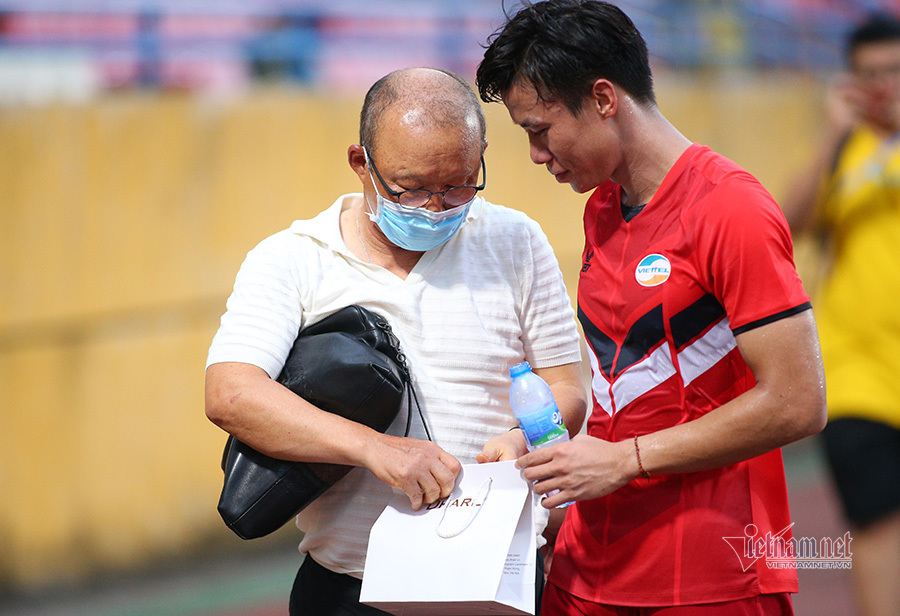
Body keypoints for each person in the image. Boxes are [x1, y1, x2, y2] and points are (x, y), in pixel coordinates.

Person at [476, 2, 827, 615]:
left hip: (713, 574)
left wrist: (624, 461)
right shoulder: (601, 207)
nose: (535, 153)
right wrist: (563, 469)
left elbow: (799, 401)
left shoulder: (731, 210)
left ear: (604, 98)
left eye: (539, 129)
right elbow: (626, 382)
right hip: (588, 566)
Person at [204, 67, 587, 616]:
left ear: (481, 153)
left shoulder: (515, 241)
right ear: (362, 163)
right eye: (411, 189)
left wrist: (522, 438)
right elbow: (231, 394)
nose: (435, 208)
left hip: (496, 584)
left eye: (458, 185)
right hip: (348, 589)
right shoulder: (292, 258)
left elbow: (567, 387)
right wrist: (376, 449)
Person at [780, 14, 900, 616]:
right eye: (868, 74)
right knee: (876, 525)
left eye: (893, 71)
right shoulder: (843, 151)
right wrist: (833, 137)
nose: (882, 85)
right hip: (858, 377)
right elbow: (786, 224)